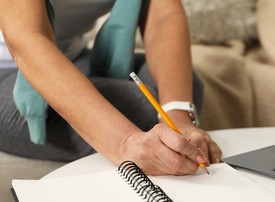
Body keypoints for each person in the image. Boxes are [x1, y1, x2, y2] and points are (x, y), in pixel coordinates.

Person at [0, 0, 222, 175]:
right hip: (12, 67)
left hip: (69, 56)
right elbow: (26, 39)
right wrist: (125, 143)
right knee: (141, 108)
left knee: (182, 88)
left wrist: (177, 117)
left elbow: (162, 16)